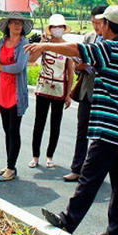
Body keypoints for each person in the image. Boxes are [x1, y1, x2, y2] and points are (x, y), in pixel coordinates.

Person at [34, 5, 118, 235]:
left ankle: (68, 220)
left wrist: (45, 45)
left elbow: (78, 49)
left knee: (89, 178)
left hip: (108, 128)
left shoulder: (108, 48)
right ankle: (116, 231)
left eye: (101, 23)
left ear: (108, 26)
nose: (98, 27)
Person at [64, 5, 107, 181]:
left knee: (99, 136)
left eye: (98, 23)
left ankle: (94, 171)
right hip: (85, 91)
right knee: (82, 131)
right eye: (93, 22)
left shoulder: (111, 42)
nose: (96, 26)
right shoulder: (88, 37)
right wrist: (79, 66)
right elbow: (77, 61)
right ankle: (77, 168)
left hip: (102, 94)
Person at [30, 14, 75, 169]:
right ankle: (35, 156)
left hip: (59, 90)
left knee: (55, 124)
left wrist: (68, 94)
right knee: (39, 123)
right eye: (54, 27)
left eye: (60, 27)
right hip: (43, 87)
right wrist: (41, 44)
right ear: (49, 29)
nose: (57, 30)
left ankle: (49, 156)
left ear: (63, 29)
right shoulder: (45, 45)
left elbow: (71, 72)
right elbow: (31, 59)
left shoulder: (68, 47)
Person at [0, 13, 31, 181]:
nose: (16, 26)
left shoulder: (24, 44)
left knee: (14, 130)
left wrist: (2, 68)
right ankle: (9, 164)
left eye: (19, 23)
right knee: (7, 131)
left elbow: (19, 66)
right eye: (13, 23)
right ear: (8, 25)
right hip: (3, 91)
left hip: (16, 93)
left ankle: (11, 167)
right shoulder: (2, 42)